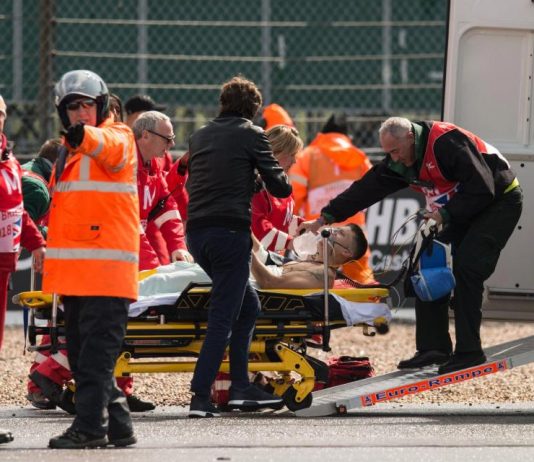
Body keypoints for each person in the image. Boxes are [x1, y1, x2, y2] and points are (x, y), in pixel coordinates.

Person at [299, 116, 523, 374]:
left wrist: (444, 214)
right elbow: (366, 189)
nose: (393, 158)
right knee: (425, 264)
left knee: (467, 268)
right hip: (462, 207)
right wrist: (324, 218)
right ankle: (433, 348)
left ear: (410, 137)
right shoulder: (401, 159)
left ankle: (469, 351)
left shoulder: (446, 142)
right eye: (388, 153)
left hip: (498, 202)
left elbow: (483, 187)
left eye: (396, 151)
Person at [185, 75, 292, 417]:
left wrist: (247, 178)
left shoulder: (200, 135)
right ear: (254, 109)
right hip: (229, 233)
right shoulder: (252, 134)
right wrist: (266, 177)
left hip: (197, 233)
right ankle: (200, 395)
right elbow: (280, 187)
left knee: (248, 307)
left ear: (223, 103)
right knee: (223, 316)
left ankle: (241, 388)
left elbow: (204, 180)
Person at [43, 70, 139, 449]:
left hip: (106, 274)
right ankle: (119, 424)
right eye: (73, 107)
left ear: (101, 106)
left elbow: (107, 145)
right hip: (79, 276)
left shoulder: (119, 136)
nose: (81, 113)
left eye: (87, 105)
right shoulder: (67, 153)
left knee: (95, 357)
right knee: (85, 357)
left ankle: (90, 428)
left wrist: (83, 135)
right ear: (62, 112)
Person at [289, 113, 374, 284]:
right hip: (351, 234)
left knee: (311, 278)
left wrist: (291, 226)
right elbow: (369, 192)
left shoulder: (308, 156)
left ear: (322, 133)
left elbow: (294, 197)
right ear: (347, 136)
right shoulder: (360, 157)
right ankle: (373, 301)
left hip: (318, 229)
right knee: (361, 280)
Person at [0, 94, 46, 351]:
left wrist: (37, 243)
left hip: (4, 261)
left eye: (0, 114)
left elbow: (18, 210)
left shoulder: (10, 162)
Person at [133, 110, 192, 270]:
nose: (172, 144)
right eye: (167, 139)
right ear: (145, 135)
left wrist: (178, 246)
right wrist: (152, 268)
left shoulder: (153, 165)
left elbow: (166, 207)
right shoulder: (126, 166)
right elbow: (129, 226)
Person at [251, 224, 368, 290]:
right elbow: (262, 255)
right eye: (337, 229)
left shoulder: (325, 275)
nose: (332, 231)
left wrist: (245, 253)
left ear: (346, 252)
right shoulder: (314, 264)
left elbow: (269, 282)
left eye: (340, 233)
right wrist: (244, 226)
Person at [251, 125, 303, 251]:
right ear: (275, 152)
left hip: (271, 257)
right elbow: (257, 229)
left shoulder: (283, 184)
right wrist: (292, 243)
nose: (294, 161)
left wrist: (305, 227)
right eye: (292, 154)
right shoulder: (255, 185)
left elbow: (283, 219)